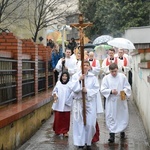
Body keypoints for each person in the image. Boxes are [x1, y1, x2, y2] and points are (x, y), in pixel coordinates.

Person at [67, 60, 103, 150]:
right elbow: (72, 87)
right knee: (79, 123)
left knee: (90, 123)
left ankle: (88, 141)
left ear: (90, 67)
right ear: (81, 67)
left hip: (89, 102)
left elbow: (96, 89)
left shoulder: (93, 77)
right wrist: (79, 81)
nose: (85, 67)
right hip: (79, 102)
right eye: (84, 65)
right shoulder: (75, 76)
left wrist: (87, 91)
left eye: (87, 65)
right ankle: (80, 143)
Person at [100, 63, 131, 143]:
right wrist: (110, 91)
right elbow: (103, 89)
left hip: (120, 100)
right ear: (109, 71)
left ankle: (122, 130)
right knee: (111, 116)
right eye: (112, 71)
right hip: (111, 101)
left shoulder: (122, 77)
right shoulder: (106, 78)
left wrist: (123, 93)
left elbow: (127, 87)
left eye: (115, 71)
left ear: (117, 69)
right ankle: (112, 134)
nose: (114, 73)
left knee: (121, 116)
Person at [52, 72, 72, 137]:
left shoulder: (70, 84)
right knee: (58, 118)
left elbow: (73, 93)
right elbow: (54, 91)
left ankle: (65, 131)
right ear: (61, 77)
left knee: (66, 118)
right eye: (63, 76)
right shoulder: (58, 83)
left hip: (66, 104)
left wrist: (68, 101)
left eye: (66, 76)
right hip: (59, 103)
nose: (64, 77)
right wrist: (55, 95)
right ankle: (57, 130)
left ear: (68, 77)